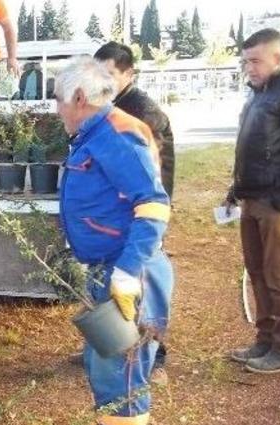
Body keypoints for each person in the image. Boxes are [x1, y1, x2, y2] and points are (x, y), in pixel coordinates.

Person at [54, 57, 173, 425]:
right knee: (106, 364)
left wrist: (124, 275)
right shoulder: (95, 134)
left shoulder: (118, 135)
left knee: (121, 371)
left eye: (58, 101)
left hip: (130, 273)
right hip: (110, 269)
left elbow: (154, 206)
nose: (57, 110)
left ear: (79, 98)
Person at [225, 28, 280, 374]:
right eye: (246, 61)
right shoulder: (257, 94)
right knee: (258, 272)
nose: (249, 67)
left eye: (256, 60)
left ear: (277, 57)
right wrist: (236, 188)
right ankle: (266, 340)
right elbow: (250, 148)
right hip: (253, 196)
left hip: (279, 200)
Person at [94, 41, 176, 382]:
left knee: (144, 283)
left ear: (129, 74)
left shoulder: (142, 113)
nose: (104, 81)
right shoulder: (111, 106)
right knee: (113, 282)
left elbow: (151, 175)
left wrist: (148, 219)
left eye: (110, 74)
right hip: (121, 213)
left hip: (143, 214)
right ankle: (113, 343)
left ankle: (155, 354)